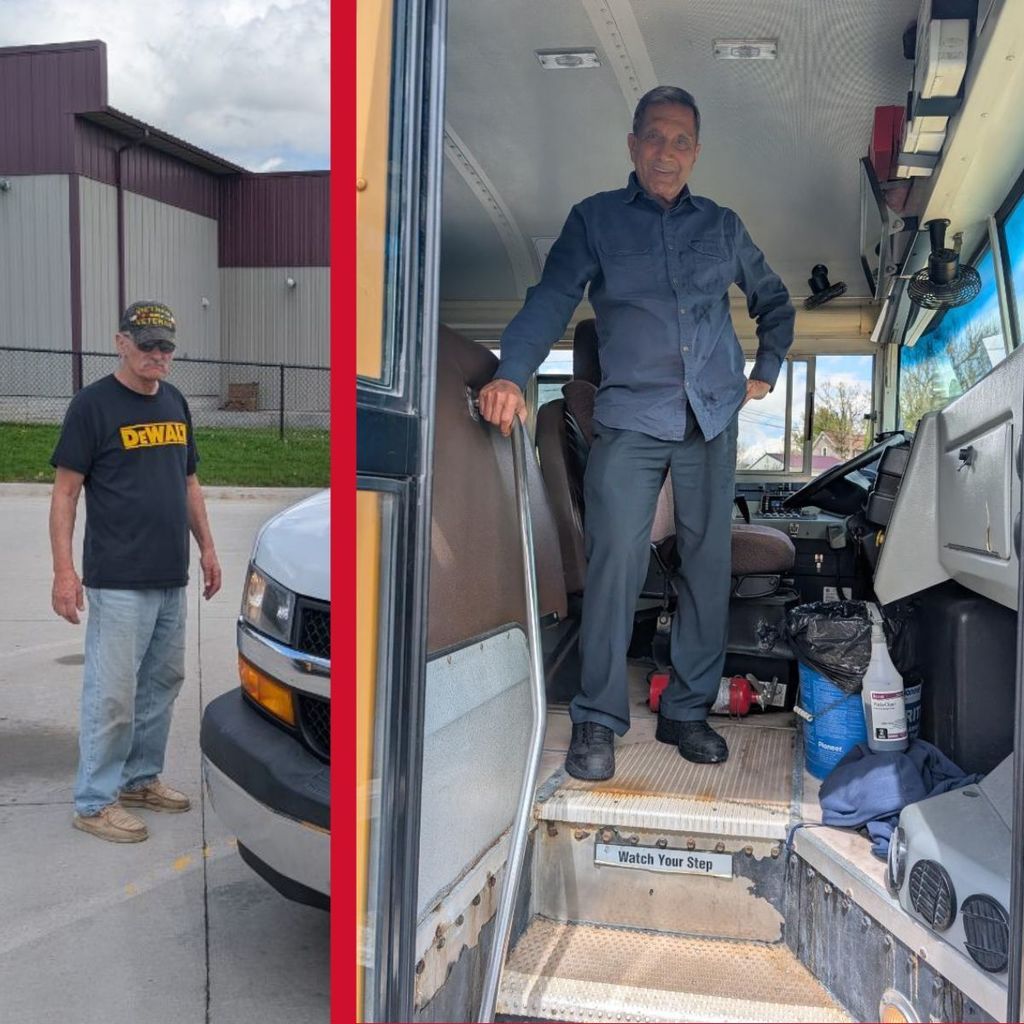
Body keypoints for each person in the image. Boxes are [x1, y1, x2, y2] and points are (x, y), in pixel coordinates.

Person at [478, 86, 794, 780]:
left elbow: (774, 299)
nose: (667, 152)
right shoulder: (594, 221)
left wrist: (765, 370)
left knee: (707, 567)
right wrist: (510, 373)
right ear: (632, 144)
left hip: (711, 417)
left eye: (682, 140)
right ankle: (596, 719)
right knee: (615, 563)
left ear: (696, 152)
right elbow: (551, 299)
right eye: (655, 137)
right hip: (629, 417)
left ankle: (687, 710)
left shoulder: (723, 226)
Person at [49, 301, 222, 843]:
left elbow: (189, 483)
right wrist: (64, 573)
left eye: (166, 346)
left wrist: (209, 549)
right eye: (146, 344)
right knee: (112, 692)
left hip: (171, 576)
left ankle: (139, 780)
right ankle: (94, 801)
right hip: (118, 578)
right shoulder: (93, 406)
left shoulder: (174, 402)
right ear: (121, 342)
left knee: (162, 684)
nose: (158, 355)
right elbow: (66, 492)